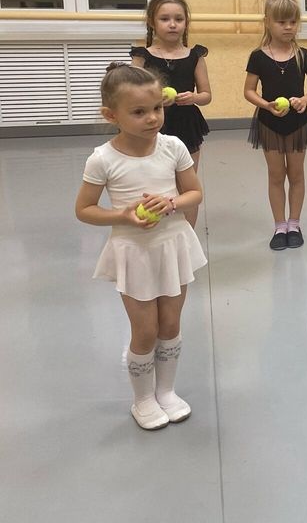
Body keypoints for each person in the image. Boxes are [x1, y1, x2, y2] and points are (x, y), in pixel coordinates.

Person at [74, 63, 206, 430]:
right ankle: (143, 399)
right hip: (134, 253)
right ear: (111, 115)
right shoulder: (103, 159)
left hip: (173, 246)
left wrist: (173, 202)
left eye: (157, 108)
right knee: (145, 331)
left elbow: (195, 192)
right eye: (139, 112)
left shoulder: (173, 147)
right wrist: (123, 215)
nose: (152, 118)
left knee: (170, 323)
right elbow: (84, 210)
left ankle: (166, 391)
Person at [243, 0, 307, 250]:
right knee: (276, 175)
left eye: (293, 22)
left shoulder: (303, 55)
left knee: (296, 174)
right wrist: (266, 105)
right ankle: (280, 226)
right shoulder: (258, 56)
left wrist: (305, 99)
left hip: (298, 123)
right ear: (268, 22)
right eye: (281, 22)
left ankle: (294, 224)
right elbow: (249, 91)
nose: (288, 27)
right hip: (270, 124)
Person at [130, 0, 212, 228]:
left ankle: (187, 237)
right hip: (153, 125)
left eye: (179, 19)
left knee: (187, 185)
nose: (173, 24)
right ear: (152, 22)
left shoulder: (195, 55)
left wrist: (194, 97)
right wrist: (154, 100)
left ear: (186, 22)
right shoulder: (142, 57)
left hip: (187, 123)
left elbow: (206, 95)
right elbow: (131, 96)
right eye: (165, 19)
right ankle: (158, 231)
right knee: (154, 182)